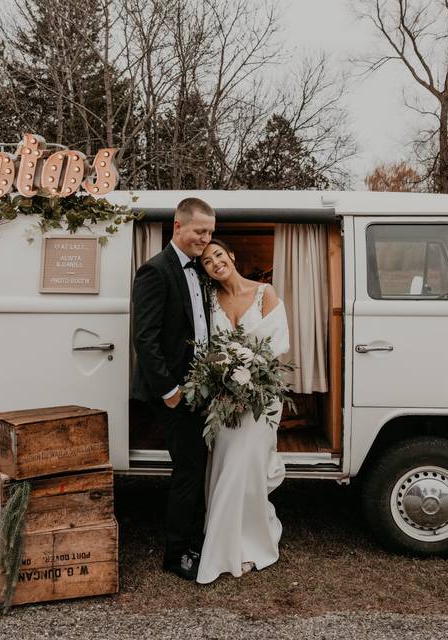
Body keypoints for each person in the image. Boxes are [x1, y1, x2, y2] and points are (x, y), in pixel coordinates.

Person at [131, 197, 216, 580]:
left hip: (199, 389)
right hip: (174, 393)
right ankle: (176, 554)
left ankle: (194, 541)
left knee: (196, 467)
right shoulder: (155, 271)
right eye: (200, 231)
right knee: (187, 470)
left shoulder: (198, 271)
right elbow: (145, 339)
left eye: (211, 232)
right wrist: (170, 391)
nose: (206, 238)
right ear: (177, 227)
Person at [195, 238, 289, 584]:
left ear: (231, 256)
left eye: (218, 254)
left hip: (261, 399)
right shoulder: (209, 302)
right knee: (224, 467)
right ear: (205, 270)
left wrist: (250, 378)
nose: (215, 262)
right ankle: (223, 541)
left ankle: (250, 544)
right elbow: (206, 351)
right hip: (223, 399)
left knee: (246, 469)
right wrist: (221, 376)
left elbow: (276, 349)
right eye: (207, 261)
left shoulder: (265, 292)